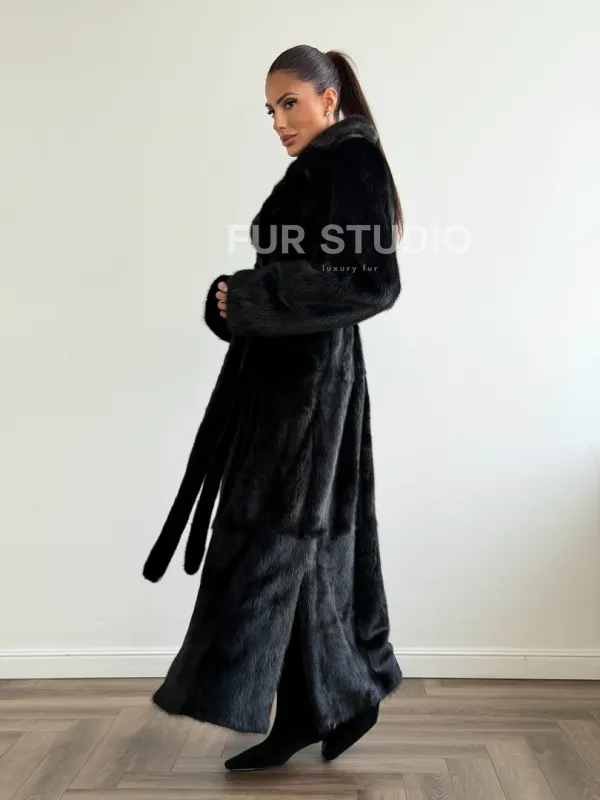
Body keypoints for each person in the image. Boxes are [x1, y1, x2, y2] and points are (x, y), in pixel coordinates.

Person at [143, 44, 404, 772]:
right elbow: (306, 274)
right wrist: (233, 303)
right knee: (303, 554)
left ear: (329, 99)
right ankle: (323, 706)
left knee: (280, 550)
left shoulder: (350, 159)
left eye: (290, 103)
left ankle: (330, 701)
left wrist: (252, 297)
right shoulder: (321, 166)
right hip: (287, 384)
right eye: (270, 109)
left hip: (310, 393)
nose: (279, 121)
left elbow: (373, 283)